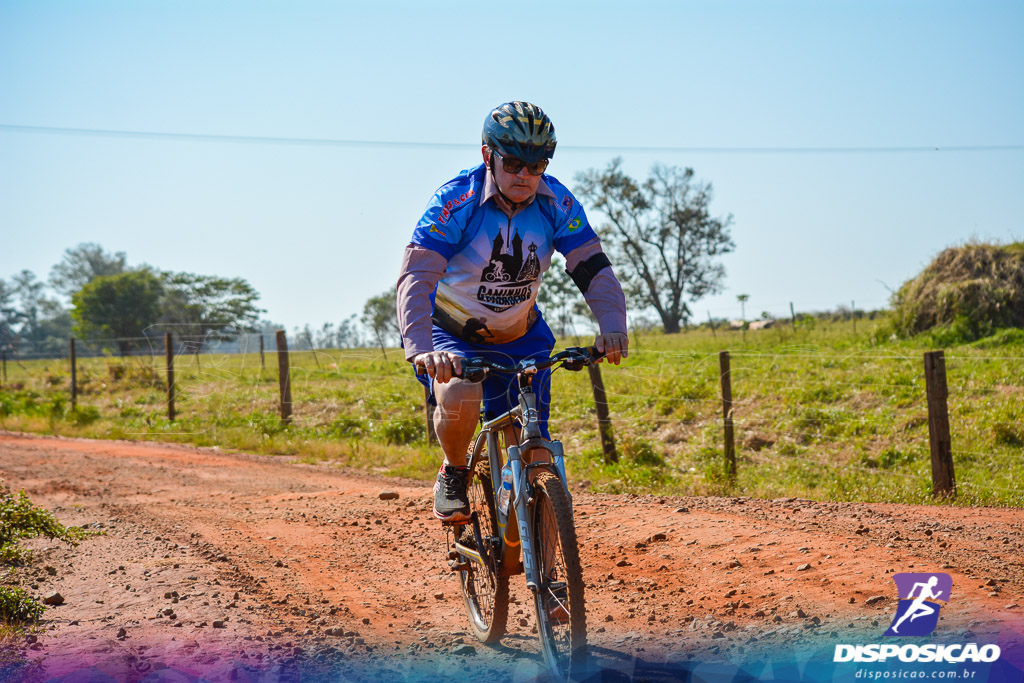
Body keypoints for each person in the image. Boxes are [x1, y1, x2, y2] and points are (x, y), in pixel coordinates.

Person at [396, 101, 629, 523]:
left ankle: (545, 555)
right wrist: (420, 347)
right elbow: (418, 275)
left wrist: (612, 326)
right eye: (515, 162)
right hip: (451, 333)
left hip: (522, 334)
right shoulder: (455, 201)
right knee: (459, 393)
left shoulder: (556, 201)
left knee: (535, 447)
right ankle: (454, 472)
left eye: (538, 163)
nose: (525, 175)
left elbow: (592, 267)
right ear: (488, 155)